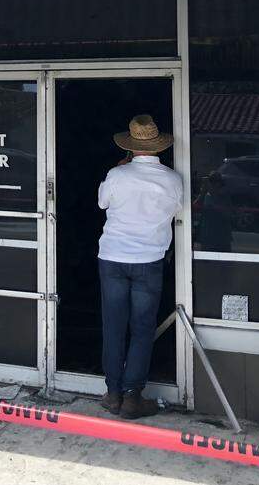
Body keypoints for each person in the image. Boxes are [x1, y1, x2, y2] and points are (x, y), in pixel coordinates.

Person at [97, 114, 184, 419]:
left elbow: (102, 203)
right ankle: (133, 396)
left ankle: (113, 393)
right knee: (142, 329)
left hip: (112, 259)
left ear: (130, 148)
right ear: (159, 147)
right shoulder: (173, 179)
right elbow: (177, 210)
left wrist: (117, 173)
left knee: (114, 326)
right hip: (149, 261)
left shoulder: (117, 175)